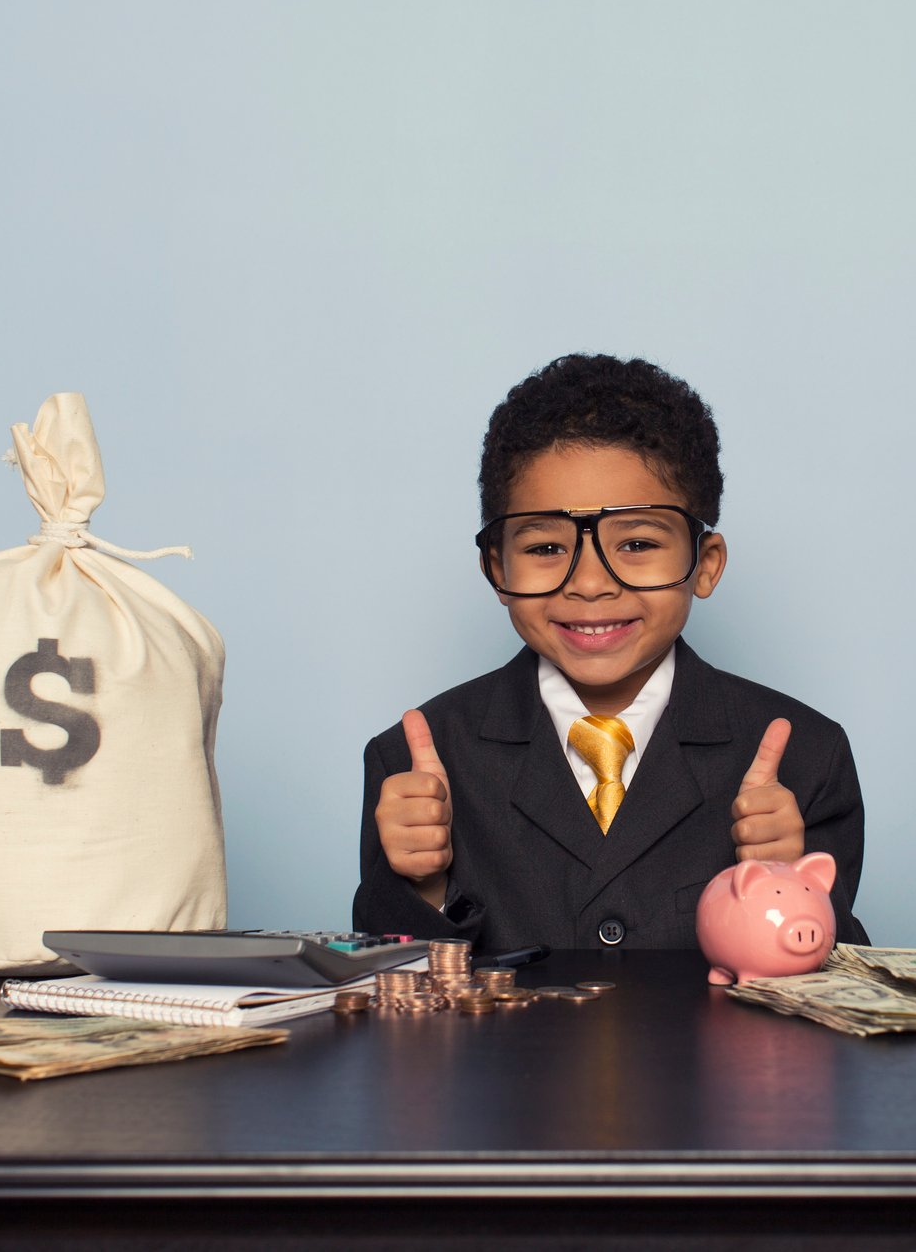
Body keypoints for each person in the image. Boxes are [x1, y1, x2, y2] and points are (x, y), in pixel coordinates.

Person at [352, 353, 870, 952]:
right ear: (497, 568)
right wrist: (424, 889)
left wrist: (788, 880)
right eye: (546, 548)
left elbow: (840, 991)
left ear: (704, 565)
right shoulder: (416, 763)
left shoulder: (805, 756)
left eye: (639, 542)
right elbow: (382, 998)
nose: (592, 583)